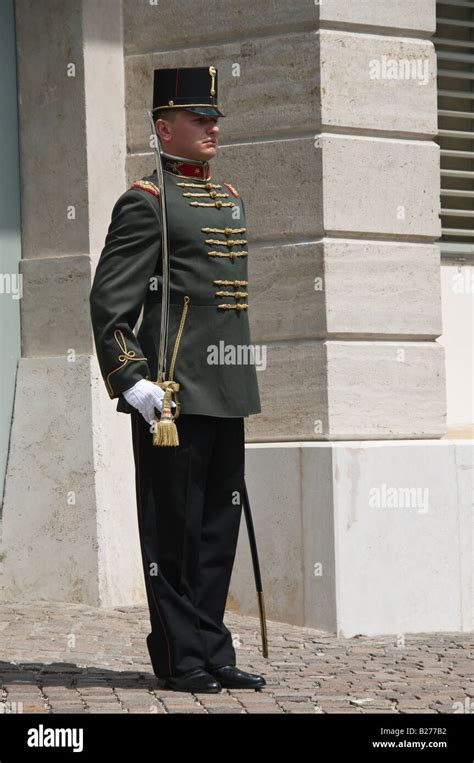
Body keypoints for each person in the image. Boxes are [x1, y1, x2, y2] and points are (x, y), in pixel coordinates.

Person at [89, 67, 265, 693]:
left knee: (218, 529)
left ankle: (213, 648)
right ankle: (179, 654)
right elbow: (110, 303)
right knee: (175, 530)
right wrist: (132, 380)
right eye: (199, 118)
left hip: (227, 388)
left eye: (214, 117)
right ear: (166, 128)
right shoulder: (147, 202)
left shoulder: (230, 198)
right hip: (173, 394)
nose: (213, 126)